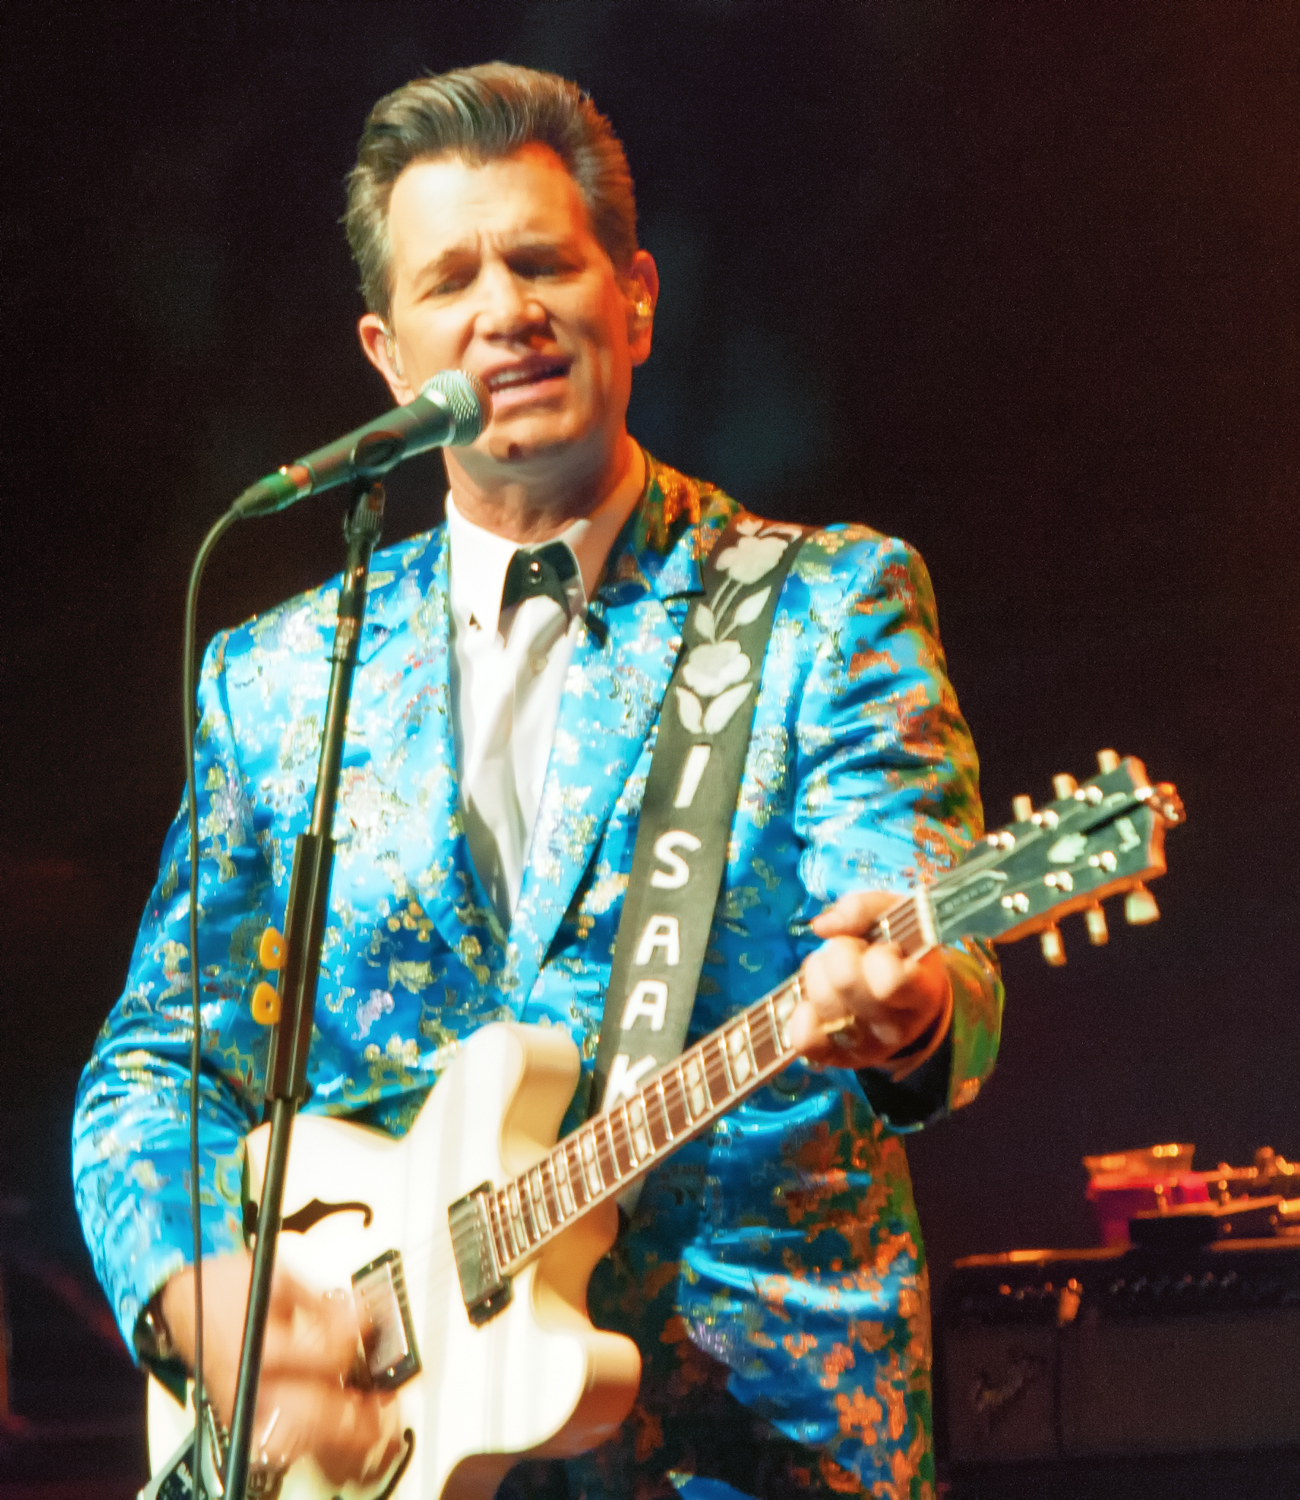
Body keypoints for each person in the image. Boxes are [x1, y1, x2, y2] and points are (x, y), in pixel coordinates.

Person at [73, 63, 1002, 1499]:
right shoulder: (275, 679)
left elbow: (932, 922)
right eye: (452, 279)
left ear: (632, 295)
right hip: (402, 1444)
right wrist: (217, 1310)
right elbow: (154, 1069)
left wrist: (915, 1003)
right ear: (388, 354)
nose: (504, 310)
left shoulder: (822, 603)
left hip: (750, 1438)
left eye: (541, 261)